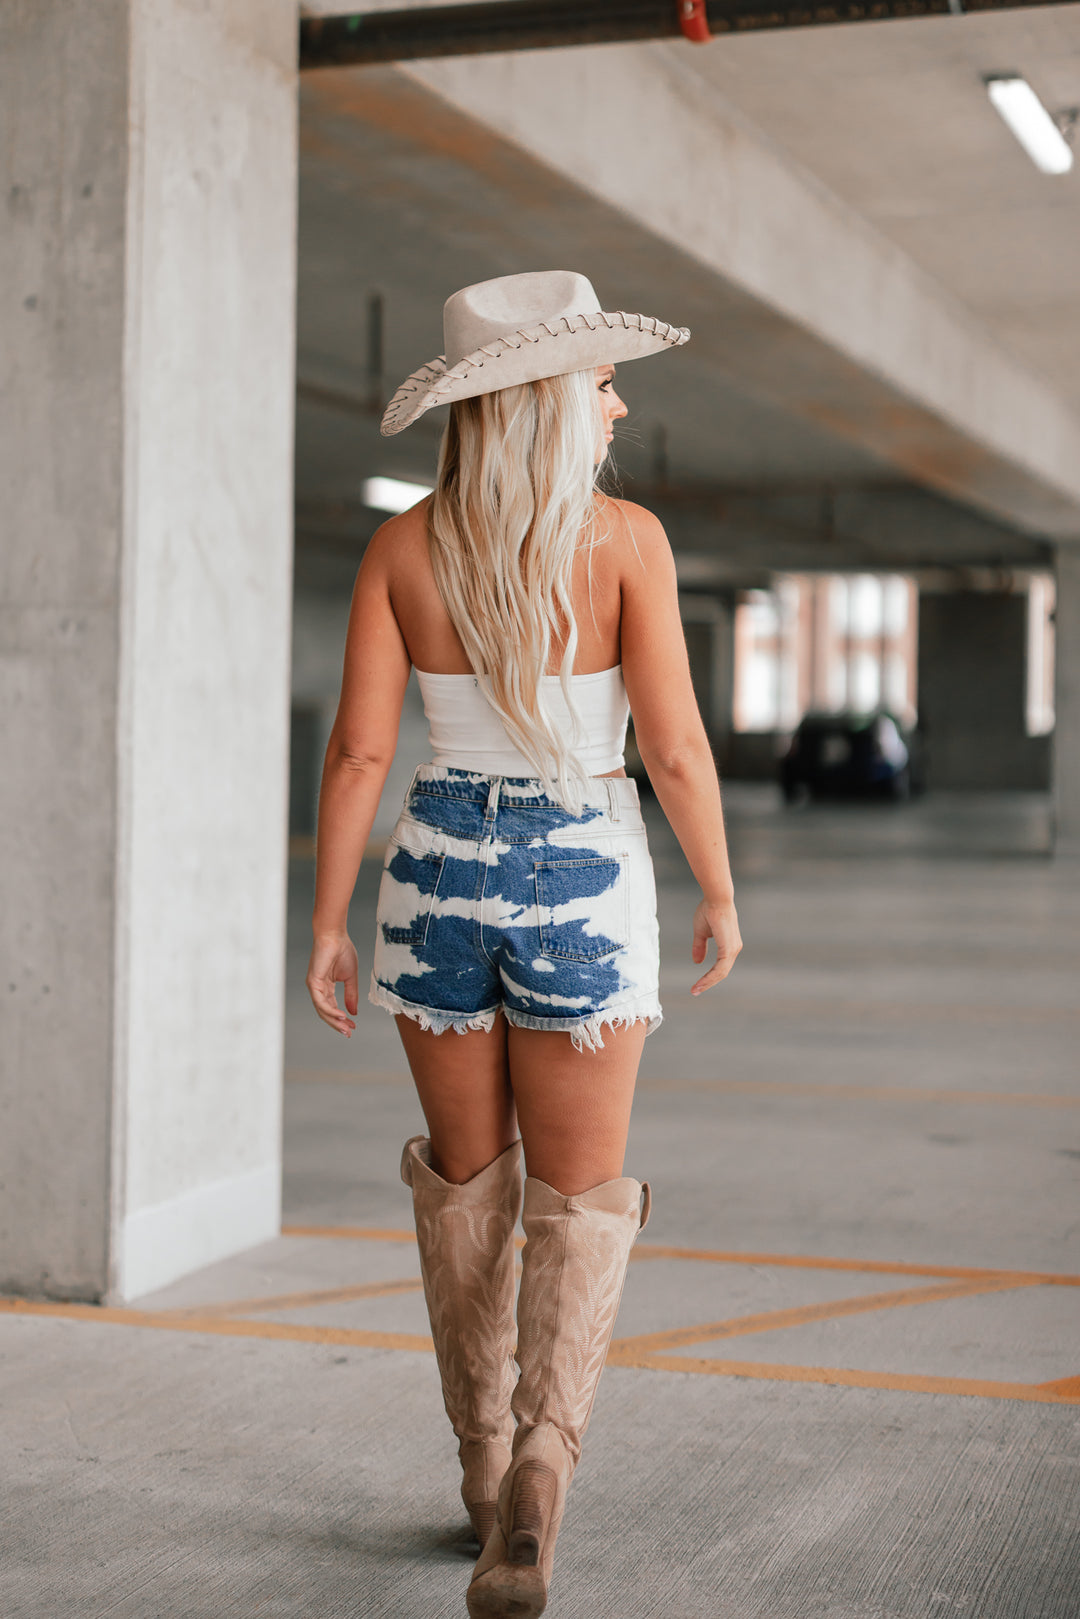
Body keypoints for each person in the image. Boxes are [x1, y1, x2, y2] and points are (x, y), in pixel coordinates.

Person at [306, 271, 742, 1619]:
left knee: (467, 1191)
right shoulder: (627, 543)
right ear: (547, 401)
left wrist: (326, 920)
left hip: (434, 873)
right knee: (578, 1199)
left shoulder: (402, 549)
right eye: (600, 384)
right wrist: (720, 889)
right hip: (584, 878)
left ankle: (483, 1464)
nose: (616, 405)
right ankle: (546, 1467)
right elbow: (674, 745)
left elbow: (360, 751)